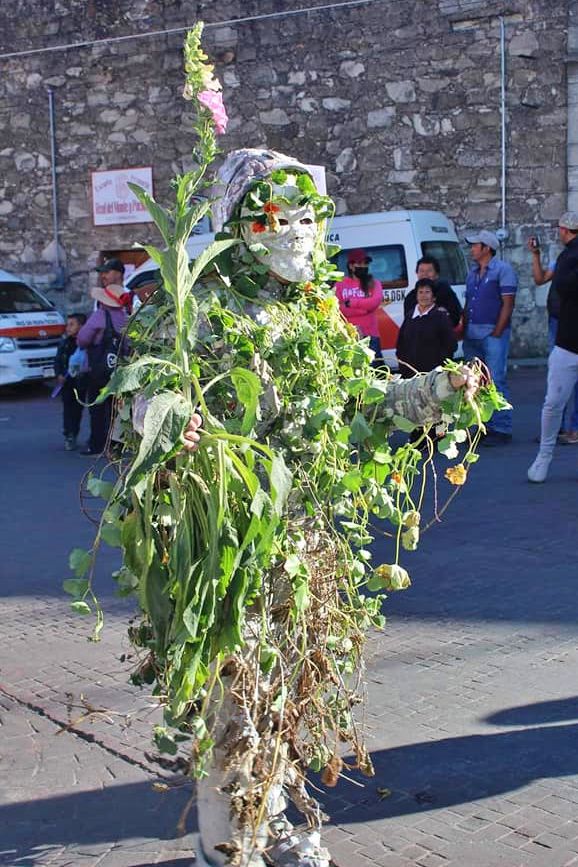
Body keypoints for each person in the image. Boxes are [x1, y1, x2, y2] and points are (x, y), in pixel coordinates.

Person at [528, 212, 578, 482]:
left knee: (553, 403)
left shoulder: (569, 256)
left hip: (567, 340)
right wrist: (536, 255)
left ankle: (544, 456)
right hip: (568, 341)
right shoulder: (568, 257)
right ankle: (543, 456)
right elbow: (556, 282)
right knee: (553, 403)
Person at [462, 229, 517, 446]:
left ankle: (501, 427)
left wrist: (497, 331)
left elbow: (508, 303)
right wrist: (463, 328)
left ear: (487, 248)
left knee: (496, 380)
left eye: (476, 245)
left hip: (492, 333)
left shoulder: (503, 270)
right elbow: (468, 304)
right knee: (474, 383)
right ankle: (481, 426)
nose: (472, 249)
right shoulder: (472, 273)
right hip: (472, 334)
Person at [77, 264, 130, 456]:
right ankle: (116, 445)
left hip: (98, 371)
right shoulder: (126, 318)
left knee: (97, 409)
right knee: (117, 410)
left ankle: (96, 444)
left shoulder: (99, 316)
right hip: (118, 371)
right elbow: (128, 346)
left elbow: (82, 339)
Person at [396, 278, 457, 378]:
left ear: (434, 297)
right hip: (411, 374)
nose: (423, 296)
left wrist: (440, 368)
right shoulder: (410, 316)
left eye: (427, 292)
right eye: (420, 292)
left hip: (434, 374)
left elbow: (451, 345)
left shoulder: (441, 317)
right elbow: (401, 344)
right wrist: (403, 366)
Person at [335, 248, 383, 360]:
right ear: (351, 266)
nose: (364, 266)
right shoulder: (340, 285)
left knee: (375, 370)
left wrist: (351, 303)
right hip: (349, 336)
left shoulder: (374, 283)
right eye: (360, 263)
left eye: (366, 263)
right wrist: (363, 310)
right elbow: (339, 309)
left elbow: (374, 303)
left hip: (370, 335)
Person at [53, 312, 87, 450]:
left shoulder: (85, 343)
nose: (68, 328)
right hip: (66, 381)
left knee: (77, 409)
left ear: (81, 326)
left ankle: (74, 432)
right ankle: (68, 434)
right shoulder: (65, 343)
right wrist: (59, 374)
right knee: (67, 408)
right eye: (68, 324)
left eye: (72, 324)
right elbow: (57, 360)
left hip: (79, 381)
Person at [403, 255, 463, 329]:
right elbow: (408, 324)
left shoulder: (445, 292)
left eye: (429, 271)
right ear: (417, 273)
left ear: (437, 275)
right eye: (421, 271)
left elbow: (455, 318)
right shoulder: (410, 297)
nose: (425, 274)